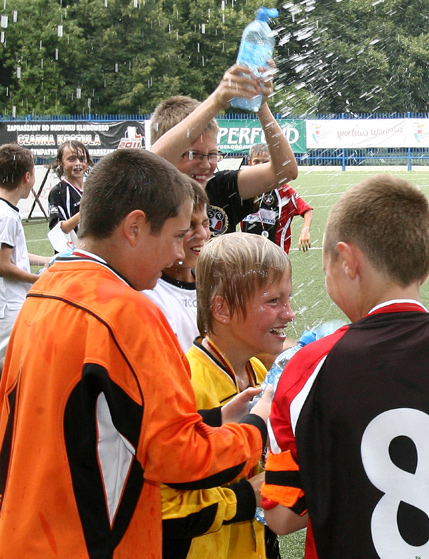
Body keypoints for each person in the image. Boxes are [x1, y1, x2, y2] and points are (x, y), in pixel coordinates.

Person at [0, 149, 272, 558]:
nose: (179, 254)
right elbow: (180, 461)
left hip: (25, 535)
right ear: (134, 227)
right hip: (91, 543)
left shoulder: (46, 287)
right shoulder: (126, 311)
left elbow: (97, 421)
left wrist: (214, 419)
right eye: (177, 236)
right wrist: (257, 425)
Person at [261, 175, 429, 558]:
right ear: (426, 266)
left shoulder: (306, 370)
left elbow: (283, 515)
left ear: (347, 260)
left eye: (326, 265)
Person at [161, 233, 293, 559]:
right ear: (222, 308)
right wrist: (246, 497)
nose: (289, 313)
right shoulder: (185, 385)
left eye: (288, 299)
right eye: (273, 301)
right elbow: (162, 507)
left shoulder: (259, 372)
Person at [150, 64, 298, 236]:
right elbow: (154, 163)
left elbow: (285, 171)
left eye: (212, 155)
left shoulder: (221, 187)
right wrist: (217, 101)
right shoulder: (152, 196)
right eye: (193, 154)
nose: (206, 165)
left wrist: (260, 105)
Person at [143, 182, 211, 351]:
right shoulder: (149, 294)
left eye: (205, 224)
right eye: (189, 226)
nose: (202, 234)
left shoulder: (213, 284)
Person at [0, 144, 51, 364]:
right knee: (12, 365)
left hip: (9, 305)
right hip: (8, 307)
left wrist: (47, 260)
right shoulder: (6, 216)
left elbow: (13, 254)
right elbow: (3, 265)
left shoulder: (6, 211)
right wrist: (38, 280)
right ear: (27, 177)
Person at [240, 143, 314, 253]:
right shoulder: (243, 189)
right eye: (256, 161)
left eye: (265, 161)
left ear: (272, 163)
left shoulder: (282, 189)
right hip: (248, 253)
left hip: (276, 254)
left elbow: (307, 211)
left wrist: (305, 231)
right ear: (249, 162)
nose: (260, 165)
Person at [48, 139, 91, 236]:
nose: (78, 163)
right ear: (60, 162)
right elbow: (57, 229)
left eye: (82, 159)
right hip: (73, 245)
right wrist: (86, 211)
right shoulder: (58, 192)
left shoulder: (93, 189)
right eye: (72, 159)